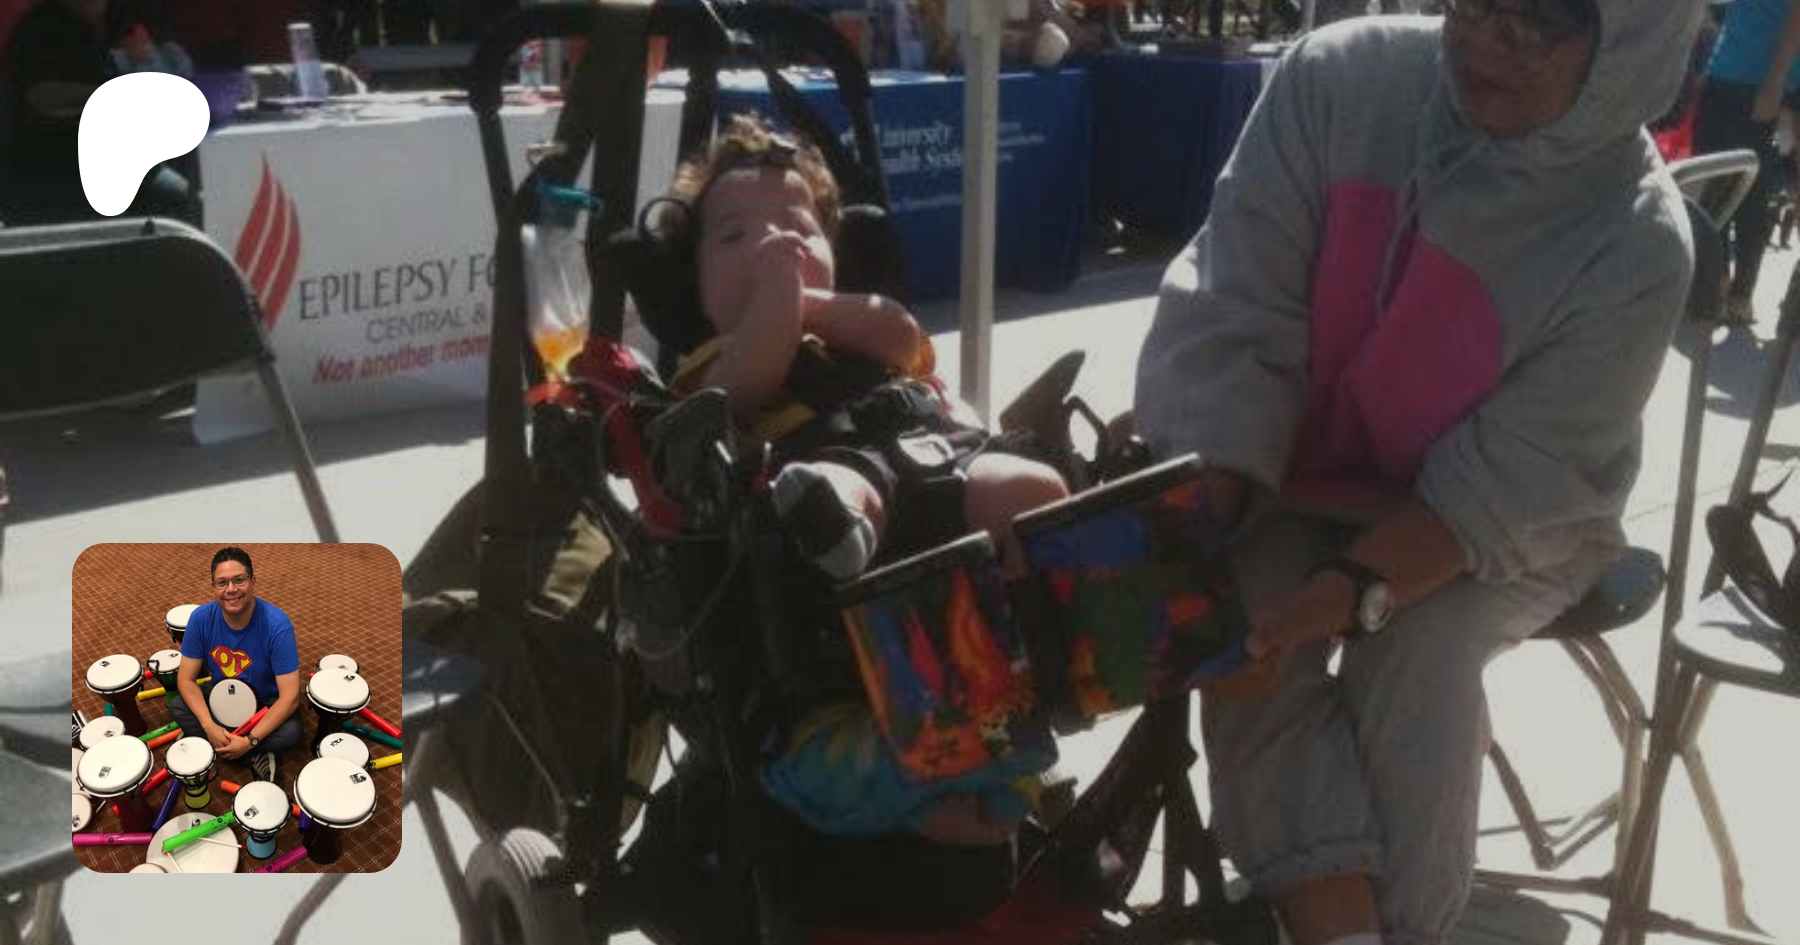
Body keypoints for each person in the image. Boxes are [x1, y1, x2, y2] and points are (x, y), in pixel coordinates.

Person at [1133, 2, 1698, 945]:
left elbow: (1497, 491)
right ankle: (1336, 919)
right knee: (1238, 614)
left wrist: (1346, 594)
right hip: (1296, 469)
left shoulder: (1637, 244)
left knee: (1418, 644)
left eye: (1532, 25)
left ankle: (1395, 928)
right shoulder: (1341, 80)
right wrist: (1201, 526)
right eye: (1479, 3)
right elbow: (1235, 312)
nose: (1484, 40)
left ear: (1627, 49)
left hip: (1513, 521)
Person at [652, 115, 1068, 845]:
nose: (773, 241)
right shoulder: (714, 357)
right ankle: (839, 525)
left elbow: (903, 336)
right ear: (697, 282)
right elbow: (748, 384)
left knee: (1031, 489)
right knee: (839, 487)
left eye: (799, 228)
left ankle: (1047, 640)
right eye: (734, 236)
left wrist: (807, 299)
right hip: (828, 495)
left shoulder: (857, 324)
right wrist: (779, 298)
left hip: (934, 463)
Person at [0, 0, 198, 225]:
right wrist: (110, 94)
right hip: (55, 168)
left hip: (127, 160)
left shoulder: (123, 18)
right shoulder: (39, 27)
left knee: (191, 194)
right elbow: (41, 96)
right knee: (172, 201)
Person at [1695, 0, 1800, 324]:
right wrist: (1710, 67)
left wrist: (1776, 81)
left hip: (1759, 80)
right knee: (1712, 184)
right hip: (1725, 72)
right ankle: (1717, 285)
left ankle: (1740, 295)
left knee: (1752, 190)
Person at [168, 547, 304, 784]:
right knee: (178, 706)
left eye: (239, 580)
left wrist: (251, 740)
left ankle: (230, 746)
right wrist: (209, 726)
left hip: (264, 702)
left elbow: (290, 696)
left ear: (253, 582)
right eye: (222, 583)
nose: (231, 589)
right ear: (213, 587)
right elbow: (186, 679)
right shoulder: (200, 619)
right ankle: (249, 752)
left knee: (292, 732)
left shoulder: (277, 625)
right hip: (222, 696)